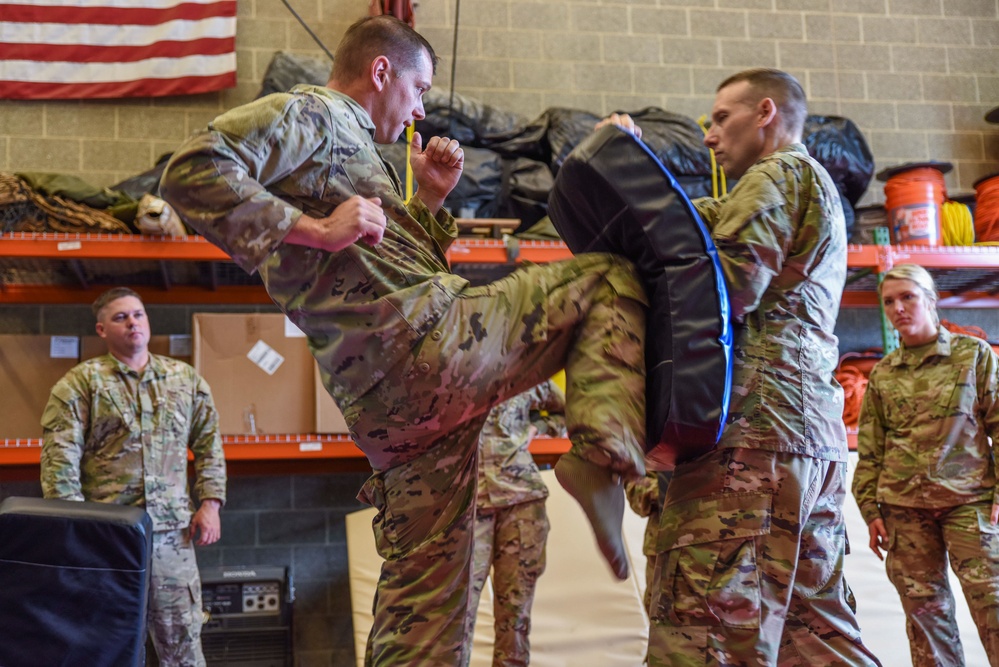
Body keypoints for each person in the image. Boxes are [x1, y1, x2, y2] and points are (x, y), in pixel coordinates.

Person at [159, 15, 647, 666]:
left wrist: (430, 203)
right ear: (380, 71)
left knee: (423, 624)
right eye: (417, 89)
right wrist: (317, 227)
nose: (419, 109)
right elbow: (191, 171)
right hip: (422, 350)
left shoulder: (352, 151)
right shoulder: (317, 112)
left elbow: (378, 267)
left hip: (395, 412)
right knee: (608, 278)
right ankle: (599, 453)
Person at [639, 68, 881, 665]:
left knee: (705, 635)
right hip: (807, 441)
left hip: (754, 439)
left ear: (765, 112)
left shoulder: (773, 175)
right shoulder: (816, 184)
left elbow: (727, 292)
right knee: (815, 636)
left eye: (722, 118)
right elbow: (705, 220)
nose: (710, 135)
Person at [40, 286, 227, 667]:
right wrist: (76, 531)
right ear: (102, 330)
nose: (132, 323)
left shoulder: (184, 380)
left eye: (138, 314)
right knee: (107, 644)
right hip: (107, 541)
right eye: (120, 317)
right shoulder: (80, 384)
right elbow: (60, 461)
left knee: (183, 645)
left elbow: (209, 445)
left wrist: (210, 504)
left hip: (173, 538)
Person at [852, 263, 999, 666]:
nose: (898, 308)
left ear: (931, 300)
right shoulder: (883, 374)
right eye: (889, 301)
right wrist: (869, 510)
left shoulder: (973, 357)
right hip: (904, 512)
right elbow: (871, 451)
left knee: (993, 606)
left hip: (969, 503)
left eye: (908, 297)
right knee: (926, 621)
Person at [464, 379, 564, 667]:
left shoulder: (525, 372)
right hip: (467, 506)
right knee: (459, 614)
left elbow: (566, 410)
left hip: (521, 502)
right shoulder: (455, 368)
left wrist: (538, 428)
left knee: (515, 619)